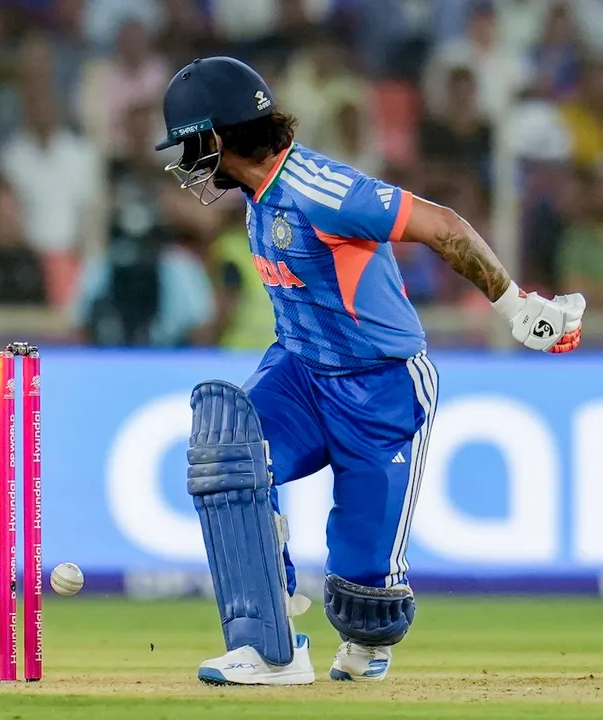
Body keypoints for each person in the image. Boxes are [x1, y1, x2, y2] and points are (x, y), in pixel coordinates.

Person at [155, 57, 586, 686]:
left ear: (218, 136)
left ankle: (362, 640)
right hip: (302, 371)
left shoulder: (320, 189)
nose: (184, 160)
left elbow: (442, 226)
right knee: (229, 451)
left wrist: (518, 306)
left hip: (379, 386)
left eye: (189, 142)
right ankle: (270, 648)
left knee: (366, 601)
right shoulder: (258, 193)